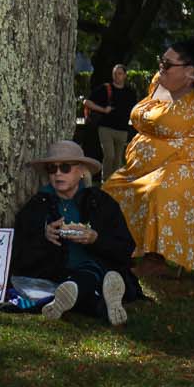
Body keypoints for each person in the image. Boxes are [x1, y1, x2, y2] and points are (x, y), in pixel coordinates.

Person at [102, 37, 194, 276]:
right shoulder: (158, 83)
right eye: (161, 61)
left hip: (193, 172)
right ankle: (119, 253)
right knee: (109, 192)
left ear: (189, 70)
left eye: (168, 64)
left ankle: (157, 260)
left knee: (160, 190)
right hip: (141, 170)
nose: (161, 67)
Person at [13, 140, 142, 326]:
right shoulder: (38, 205)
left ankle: (70, 298)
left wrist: (96, 239)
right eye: (52, 169)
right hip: (56, 274)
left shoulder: (101, 202)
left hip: (101, 269)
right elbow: (20, 252)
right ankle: (102, 305)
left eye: (65, 167)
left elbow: (125, 248)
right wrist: (43, 235)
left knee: (92, 273)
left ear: (81, 171)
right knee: (83, 282)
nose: (58, 173)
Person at [82, 63, 135, 181]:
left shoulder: (130, 92)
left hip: (122, 129)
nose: (117, 76)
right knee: (109, 155)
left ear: (125, 75)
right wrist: (103, 110)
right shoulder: (105, 89)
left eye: (119, 73)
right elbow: (87, 102)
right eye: (114, 74)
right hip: (106, 128)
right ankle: (105, 180)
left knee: (118, 159)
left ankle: (114, 182)